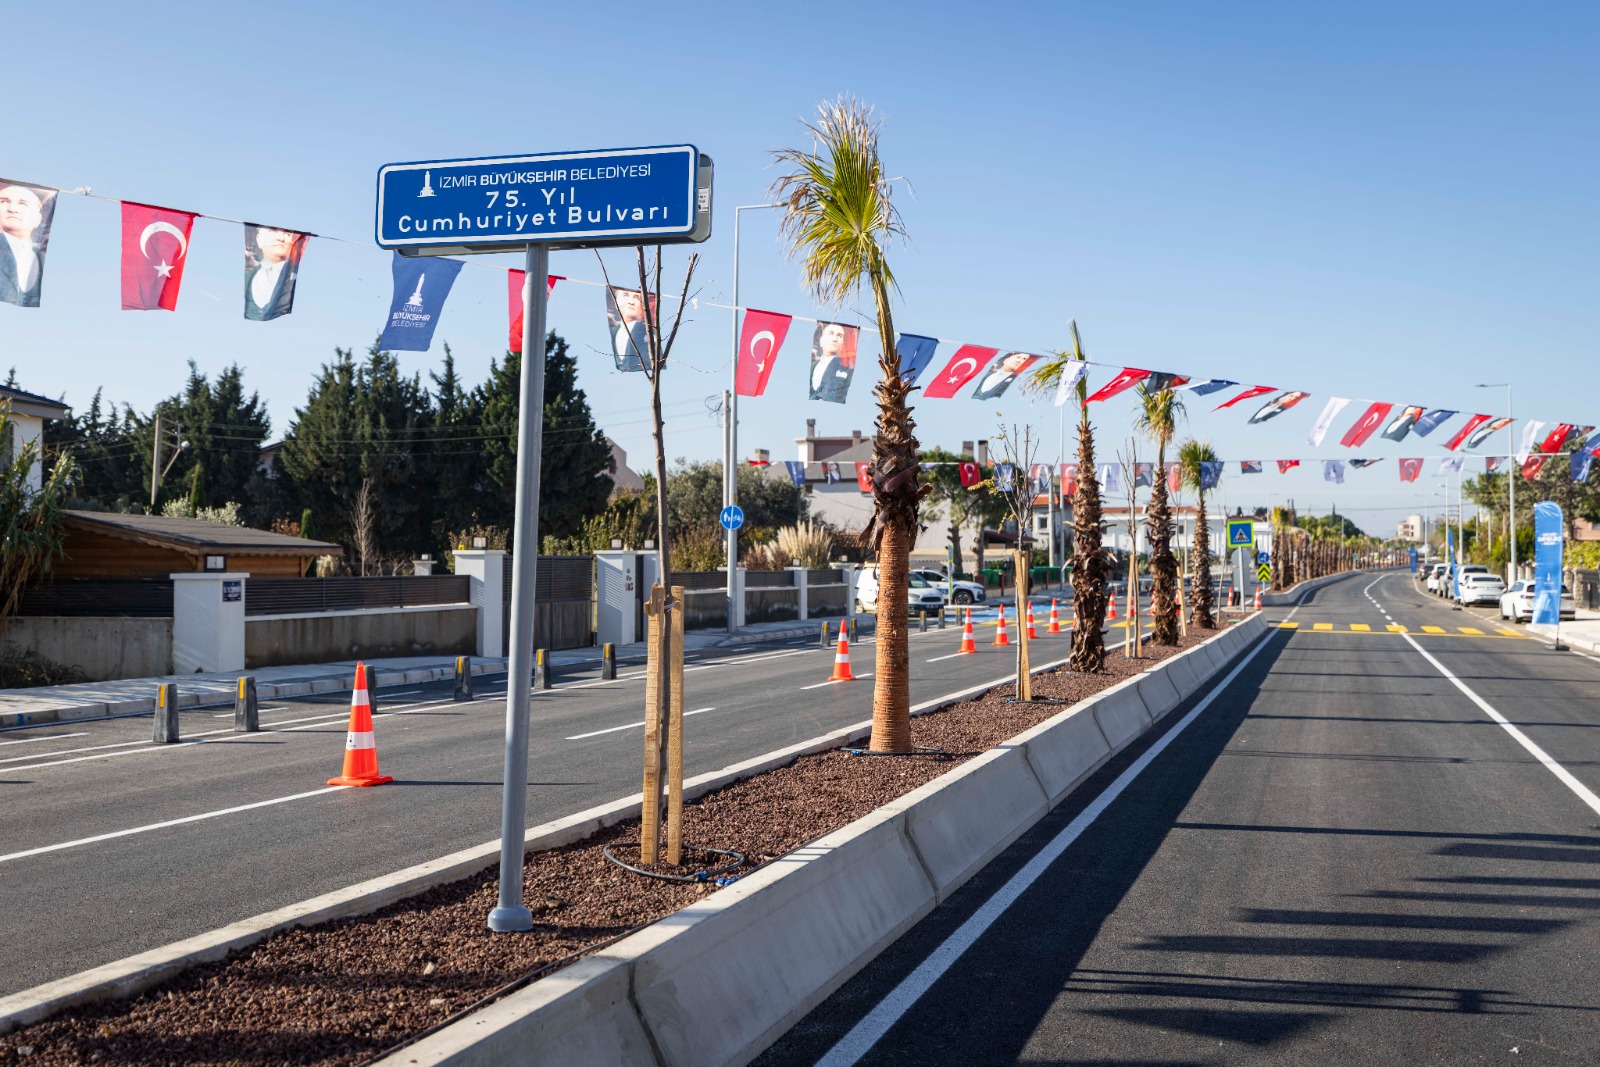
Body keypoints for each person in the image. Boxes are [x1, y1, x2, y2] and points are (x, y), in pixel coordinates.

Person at [0, 183, 54, 308]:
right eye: (4, 202)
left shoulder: (37, 255)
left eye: (23, 204)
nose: (12, 209)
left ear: (37, 219)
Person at [244, 225, 303, 321]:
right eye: (272, 231)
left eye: (287, 233)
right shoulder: (249, 277)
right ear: (259, 240)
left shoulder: (292, 277)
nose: (281, 238)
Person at [809, 321, 854, 403]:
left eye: (839, 336)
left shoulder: (845, 366)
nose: (834, 339)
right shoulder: (814, 365)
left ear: (842, 344)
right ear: (821, 340)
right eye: (831, 333)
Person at [609, 288, 651, 372]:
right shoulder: (615, 331)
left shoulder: (647, 331)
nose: (631, 302)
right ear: (616, 301)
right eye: (625, 295)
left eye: (636, 297)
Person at [970, 351, 1035, 400]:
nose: (1019, 361)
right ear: (1006, 359)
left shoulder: (1010, 379)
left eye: (1024, 359)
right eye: (1018, 357)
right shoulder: (990, 373)